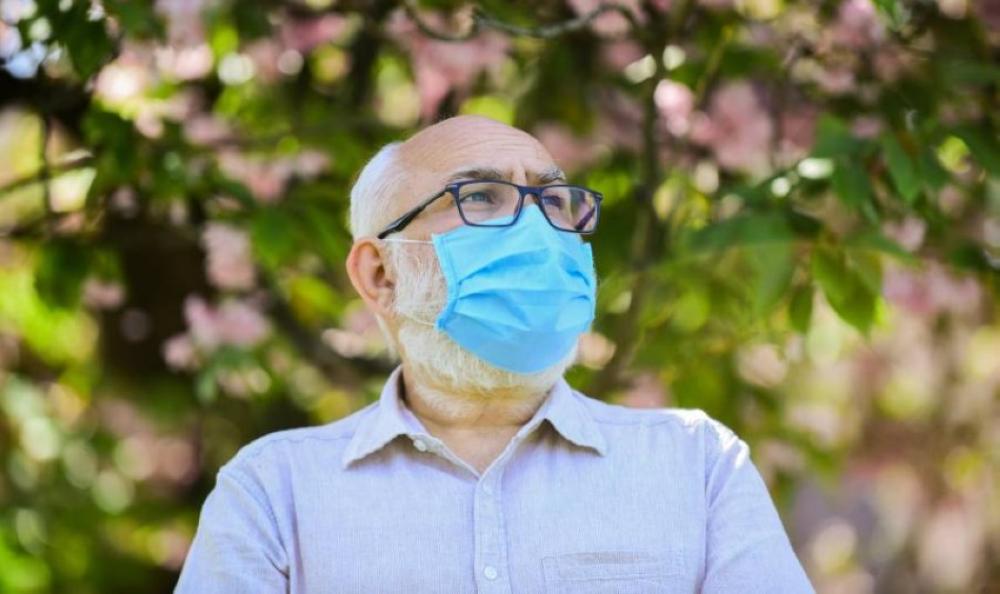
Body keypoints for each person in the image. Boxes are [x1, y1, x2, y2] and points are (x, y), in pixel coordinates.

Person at [174, 115, 815, 593]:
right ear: (380, 275)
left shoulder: (698, 466)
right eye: (480, 197)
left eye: (553, 200)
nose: (536, 230)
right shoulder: (272, 493)